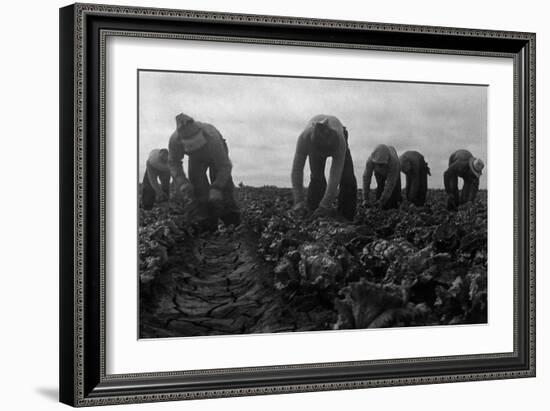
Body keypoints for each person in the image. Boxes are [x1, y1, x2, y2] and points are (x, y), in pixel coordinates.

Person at [168, 113, 241, 228]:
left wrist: (217, 187)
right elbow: (173, 163)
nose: (196, 147)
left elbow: (224, 166)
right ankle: (207, 223)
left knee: (224, 186)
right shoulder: (174, 141)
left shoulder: (212, 137)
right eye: (191, 144)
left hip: (215, 155)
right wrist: (182, 182)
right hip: (195, 158)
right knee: (197, 186)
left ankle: (232, 221)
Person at [290, 115, 357, 220]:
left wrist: (325, 205)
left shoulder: (340, 141)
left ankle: (346, 216)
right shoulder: (304, 138)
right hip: (314, 142)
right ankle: (312, 212)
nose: (324, 155)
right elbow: (297, 170)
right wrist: (298, 200)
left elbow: (335, 175)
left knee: (347, 177)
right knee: (317, 177)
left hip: (340, 134)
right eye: (322, 152)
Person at [363, 144, 402, 210]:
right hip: (378, 173)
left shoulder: (394, 163)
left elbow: (390, 183)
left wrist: (382, 201)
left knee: (395, 190)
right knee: (380, 186)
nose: (380, 167)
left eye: (382, 165)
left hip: (393, 170)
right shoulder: (370, 161)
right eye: (378, 164)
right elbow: (366, 178)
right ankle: (379, 205)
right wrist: (365, 198)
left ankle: (395, 206)